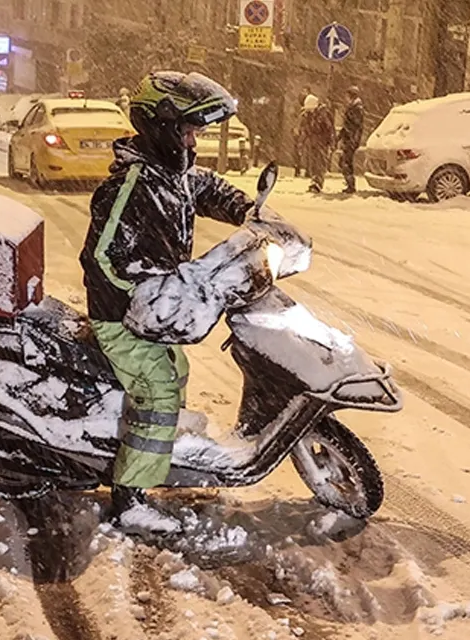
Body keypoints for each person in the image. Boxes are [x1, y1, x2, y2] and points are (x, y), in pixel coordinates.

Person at [79, 71, 254, 526]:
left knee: (176, 368)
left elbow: (205, 188)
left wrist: (249, 212)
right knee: (157, 388)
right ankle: (130, 497)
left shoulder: (170, 174)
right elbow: (102, 255)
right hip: (122, 317)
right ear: (162, 127)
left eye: (196, 133)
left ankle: (150, 448)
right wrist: (142, 292)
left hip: (153, 314)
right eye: (188, 131)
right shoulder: (132, 185)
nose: (193, 142)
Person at [300, 95, 333, 194]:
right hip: (313, 142)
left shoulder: (323, 114)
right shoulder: (307, 115)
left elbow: (329, 129)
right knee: (313, 163)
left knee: (320, 163)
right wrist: (302, 141)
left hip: (321, 142)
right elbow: (305, 129)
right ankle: (314, 180)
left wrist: (331, 143)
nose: (309, 112)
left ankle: (318, 182)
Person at [337, 86, 364, 194]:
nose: (345, 98)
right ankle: (349, 183)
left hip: (351, 139)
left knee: (345, 162)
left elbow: (356, 126)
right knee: (345, 162)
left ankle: (350, 184)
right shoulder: (353, 107)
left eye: (347, 95)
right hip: (349, 138)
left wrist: (352, 139)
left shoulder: (356, 108)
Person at [293, 88, 314, 177]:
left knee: (307, 152)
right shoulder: (299, 104)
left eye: (305, 91)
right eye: (302, 91)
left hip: (307, 131)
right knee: (298, 150)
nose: (303, 93)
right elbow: (297, 117)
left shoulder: (311, 104)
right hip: (302, 131)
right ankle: (297, 168)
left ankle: (307, 170)